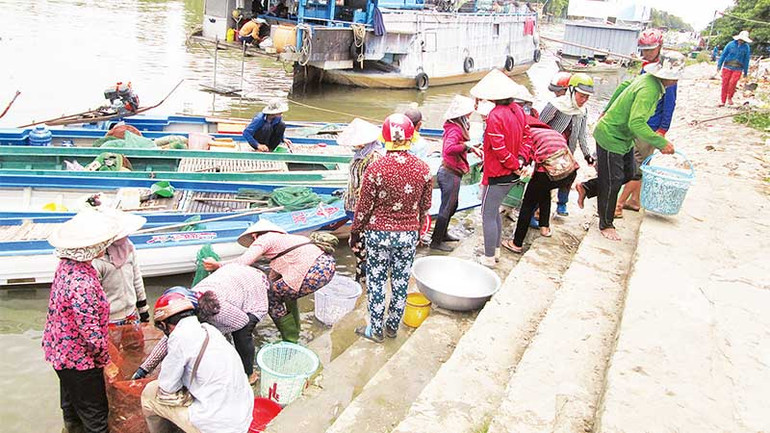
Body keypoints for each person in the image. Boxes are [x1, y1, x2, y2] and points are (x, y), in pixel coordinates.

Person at [576, 51, 682, 241]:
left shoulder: (648, 79)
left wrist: (607, 109)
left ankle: (587, 187)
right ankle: (606, 224)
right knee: (613, 181)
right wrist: (661, 142)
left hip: (624, 138)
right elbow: (636, 123)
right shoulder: (649, 89)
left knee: (630, 172)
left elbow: (624, 86)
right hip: (611, 136)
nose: (676, 81)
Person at [351, 113, 432, 342]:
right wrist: (418, 230)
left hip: (378, 235)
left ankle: (375, 330)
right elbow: (426, 206)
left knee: (376, 282)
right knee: (400, 282)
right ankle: (392, 327)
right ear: (411, 137)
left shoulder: (376, 169)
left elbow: (364, 208)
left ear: (385, 138)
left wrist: (356, 232)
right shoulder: (423, 169)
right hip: (408, 235)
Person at [43, 211, 122, 433]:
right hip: (80, 359)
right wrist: (106, 362)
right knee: (95, 415)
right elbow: (90, 331)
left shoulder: (65, 266)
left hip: (59, 352)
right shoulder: (82, 282)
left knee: (71, 404)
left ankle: (71, 428)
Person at [133, 264, 270, 385]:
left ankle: (249, 374)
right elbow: (168, 339)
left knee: (241, 333)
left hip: (253, 286)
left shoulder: (217, 309)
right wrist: (143, 369)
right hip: (232, 280)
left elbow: (242, 321)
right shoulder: (185, 308)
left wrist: (210, 331)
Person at [203, 220, 335, 343]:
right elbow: (273, 278)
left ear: (254, 235)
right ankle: (296, 329)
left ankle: (290, 339)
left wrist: (218, 265)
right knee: (284, 292)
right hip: (327, 266)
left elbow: (242, 263)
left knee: (270, 297)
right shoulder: (287, 240)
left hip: (313, 272)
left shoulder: (264, 239)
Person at [140, 292, 253, 433]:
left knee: (149, 395)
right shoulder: (210, 330)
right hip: (243, 417)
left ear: (164, 324)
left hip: (218, 426)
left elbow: (167, 387)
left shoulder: (179, 336)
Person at [615, 28, 678, 217]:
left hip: (649, 126)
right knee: (643, 162)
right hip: (641, 121)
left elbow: (670, 102)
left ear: (659, 47)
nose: (647, 53)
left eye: (651, 49)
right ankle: (635, 200)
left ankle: (618, 204)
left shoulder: (666, 71)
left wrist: (662, 129)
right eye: (645, 50)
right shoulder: (647, 67)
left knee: (637, 166)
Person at [469, 69, 529, 267]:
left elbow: (499, 149)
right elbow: (527, 137)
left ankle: (488, 258)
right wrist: (520, 160)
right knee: (494, 210)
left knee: (487, 213)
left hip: (498, 173)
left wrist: (514, 164)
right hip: (512, 172)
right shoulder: (517, 110)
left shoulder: (495, 116)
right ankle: (495, 251)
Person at [502, 117, 578, 253]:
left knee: (528, 204)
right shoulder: (551, 132)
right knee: (544, 191)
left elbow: (523, 159)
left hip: (550, 172)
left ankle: (516, 243)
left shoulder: (526, 135)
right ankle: (545, 228)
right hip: (570, 171)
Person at [539, 73, 595, 217]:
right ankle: (537, 211)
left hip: (567, 151)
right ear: (571, 91)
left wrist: (587, 155)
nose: (584, 100)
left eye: (587, 97)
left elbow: (582, 134)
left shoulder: (582, 111)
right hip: (549, 151)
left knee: (568, 176)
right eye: (581, 96)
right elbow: (539, 125)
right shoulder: (555, 105)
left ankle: (562, 204)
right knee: (544, 181)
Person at [431, 95, 482, 252]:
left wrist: (471, 148)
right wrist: (467, 146)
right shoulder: (455, 129)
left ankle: (443, 234)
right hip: (449, 173)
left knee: (452, 205)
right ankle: (436, 241)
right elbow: (449, 149)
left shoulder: (458, 125)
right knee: (447, 207)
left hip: (451, 172)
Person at [338, 118, 383, 282]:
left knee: (361, 246)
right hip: (352, 204)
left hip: (363, 209)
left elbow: (371, 187)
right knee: (358, 246)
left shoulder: (374, 157)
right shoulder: (361, 154)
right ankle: (361, 276)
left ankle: (365, 279)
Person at [92, 210, 149, 326]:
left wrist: (143, 310)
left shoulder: (129, 248)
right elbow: (94, 295)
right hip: (110, 318)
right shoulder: (98, 259)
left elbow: (137, 279)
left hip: (131, 313)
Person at [717, 30, 752, 107]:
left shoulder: (746, 47)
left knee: (732, 83)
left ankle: (730, 97)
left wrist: (745, 72)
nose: (741, 41)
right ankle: (723, 101)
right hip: (727, 67)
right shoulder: (730, 44)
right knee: (725, 83)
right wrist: (719, 65)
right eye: (740, 39)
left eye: (743, 40)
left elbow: (746, 60)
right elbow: (723, 55)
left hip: (738, 68)